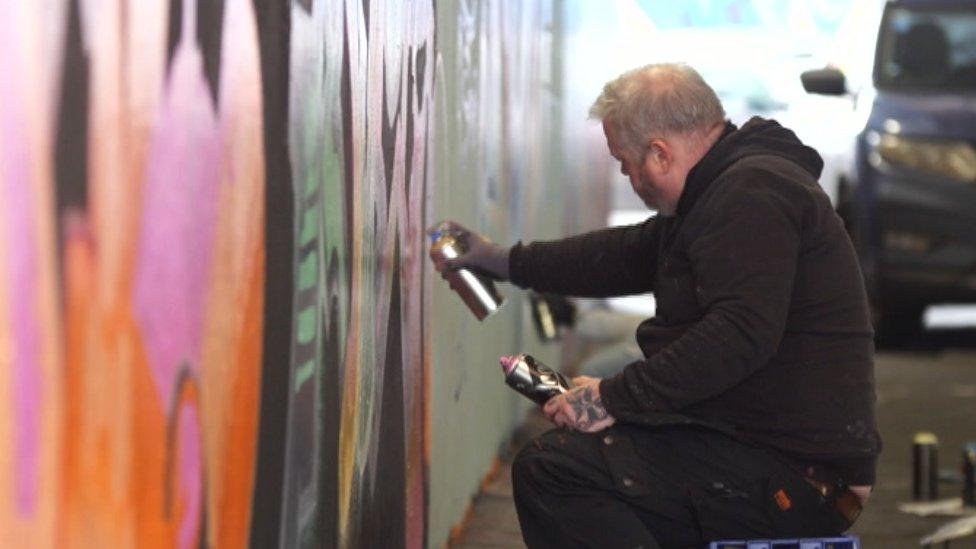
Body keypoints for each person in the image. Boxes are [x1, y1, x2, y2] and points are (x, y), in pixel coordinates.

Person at [436, 63, 881, 548]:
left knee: (557, 472)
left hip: (795, 475)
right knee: (590, 455)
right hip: (764, 449)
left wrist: (611, 399)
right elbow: (615, 257)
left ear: (659, 154)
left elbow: (738, 336)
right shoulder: (719, 193)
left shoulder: (751, 195)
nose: (630, 179)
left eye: (626, 165)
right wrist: (500, 261)